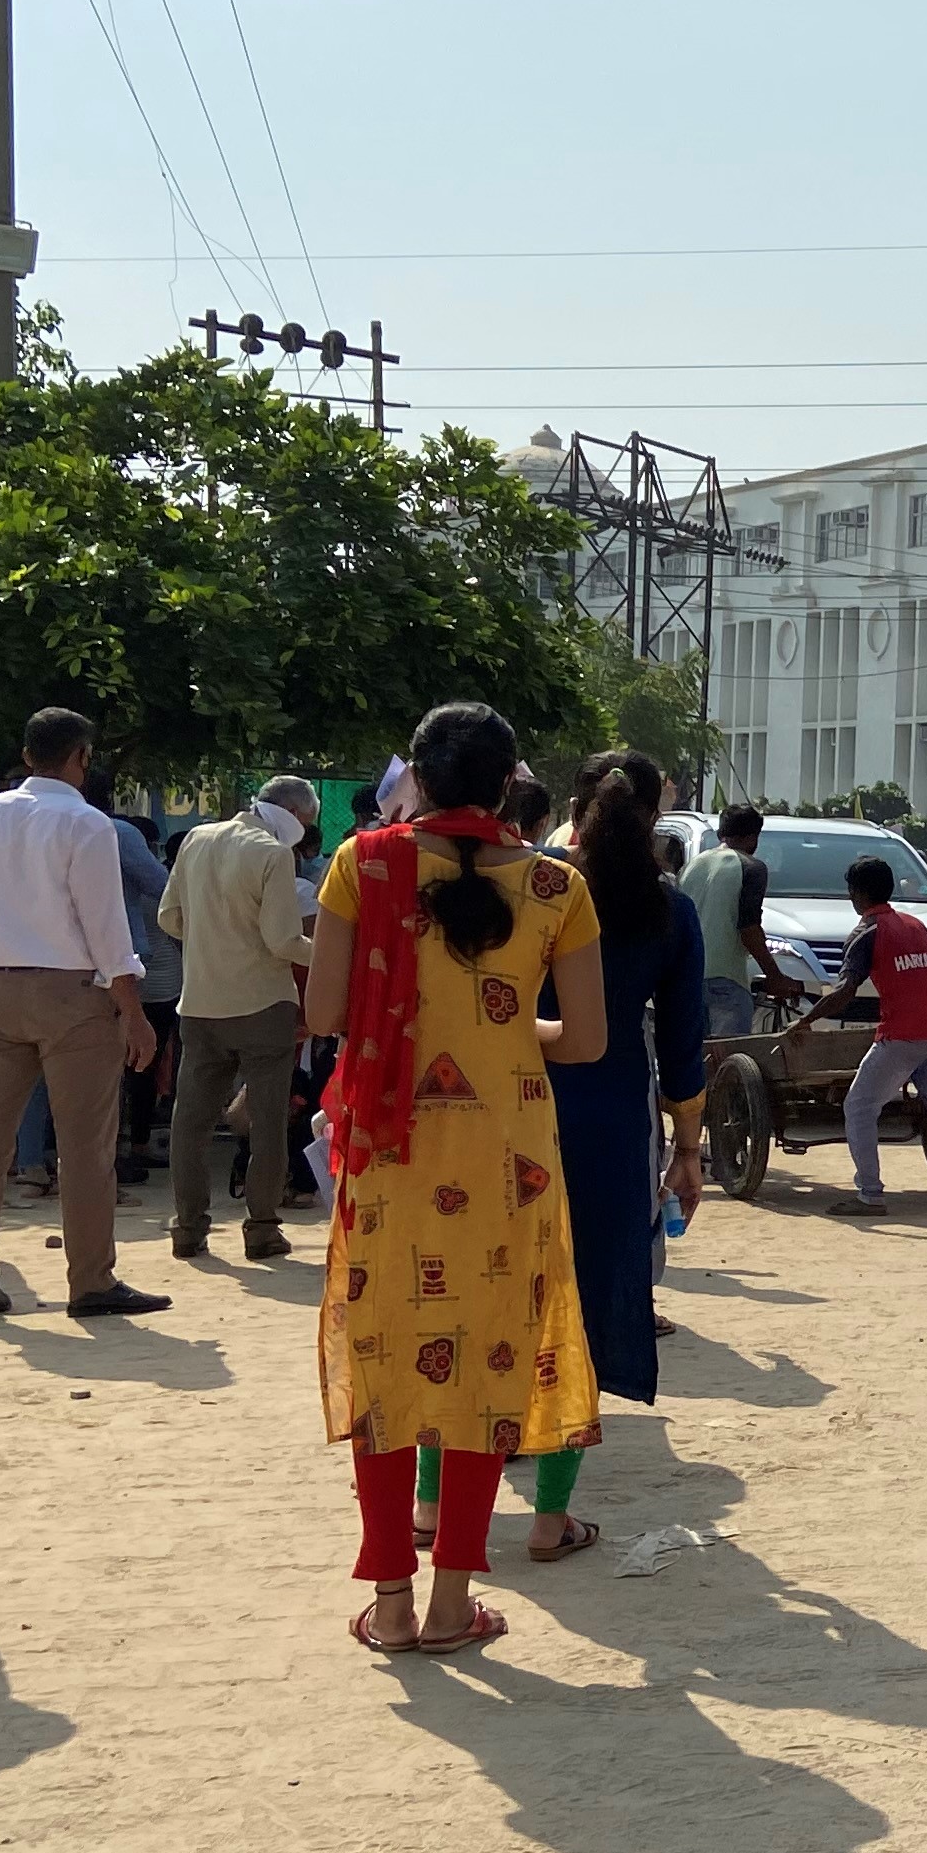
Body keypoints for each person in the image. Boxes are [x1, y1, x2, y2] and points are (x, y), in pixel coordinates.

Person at [310, 703, 610, 1653]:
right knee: (489, 1359)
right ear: (508, 779)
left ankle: (390, 1604)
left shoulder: (364, 865)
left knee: (385, 1354)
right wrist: (509, 1029)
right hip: (508, 1154)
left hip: (394, 1149)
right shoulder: (560, 884)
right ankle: (452, 1608)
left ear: (422, 780)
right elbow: (590, 1040)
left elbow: (325, 1011)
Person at [447, 748, 711, 1564]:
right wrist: (689, 1149)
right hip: (608, 1110)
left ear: (573, 805)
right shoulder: (670, 911)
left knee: (477, 1283)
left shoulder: (526, 883)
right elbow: (681, 1043)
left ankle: (433, 1504)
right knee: (584, 1294)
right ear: (654, 814)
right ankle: (550, 1521)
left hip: (508, 1102)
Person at [0, 709, 168, 1320]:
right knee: (85, 1146)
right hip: (73, 995)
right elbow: (105, 926)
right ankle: (91, 1281)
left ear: (25, 756)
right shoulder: (87, 823)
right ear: (83, 756)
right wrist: (133, 1012)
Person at [158, 777, 321, 1262]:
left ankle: (188, 1228)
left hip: (201, 1003)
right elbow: (283, 941)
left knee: (191, 1121)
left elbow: (170, 916)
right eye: (308, 822)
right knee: (268, 1123)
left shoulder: (197, 839)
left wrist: (212, 941)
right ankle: (262, 1228)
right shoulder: (273, 855)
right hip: (263, 1005)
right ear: (293, 812)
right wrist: (334, 959)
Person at [822, 853, 927, 1214]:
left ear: (856, 894)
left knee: (859, 1106)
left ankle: (870, 1194)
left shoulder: (866, 933)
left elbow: (844, 991)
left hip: (902, 1034)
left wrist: (805, 1021)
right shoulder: (914, 925)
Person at [99, 785, 177, 1185]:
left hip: (33, 965)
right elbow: (161, 884)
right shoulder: (116, 833)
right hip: (118, 962)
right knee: (120, 1064)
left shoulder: (2, 820)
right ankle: (109, 1160)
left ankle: (30, 1162)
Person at [687, 804, 768, 1040]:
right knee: (727, 1064)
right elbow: (749, 930)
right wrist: (775, 977)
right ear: (753, 837)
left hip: (688, 979)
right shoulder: (751, 868)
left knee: (696, 1064)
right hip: (727, 981)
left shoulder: (693, 865)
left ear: (722, 833)